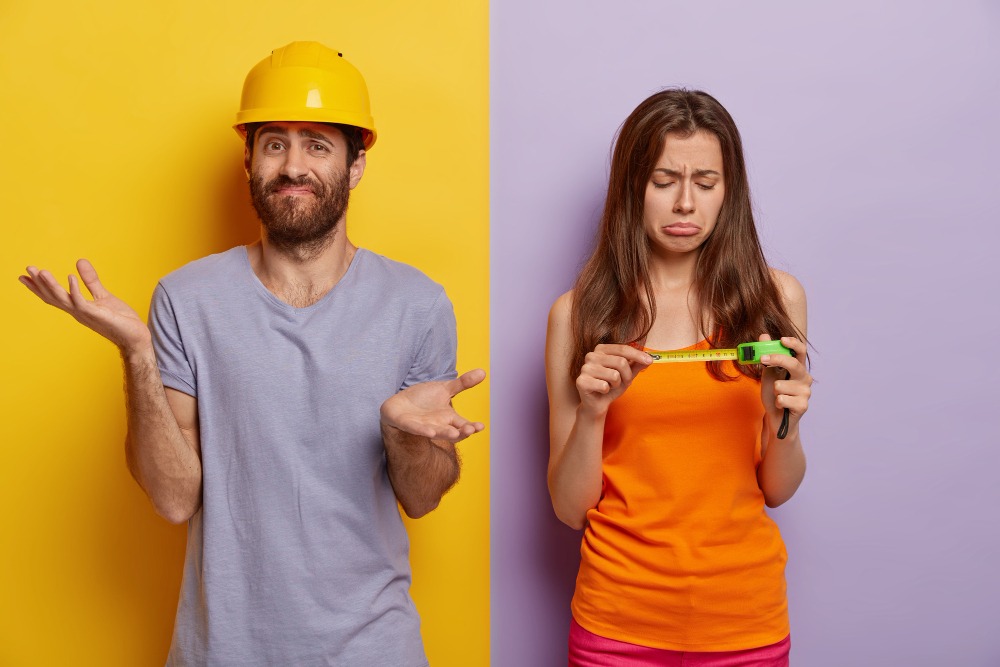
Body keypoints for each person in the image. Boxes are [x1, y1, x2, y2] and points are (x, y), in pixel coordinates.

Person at [19, 41, 484, 666]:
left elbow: (423, 497)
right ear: (248, 160)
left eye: (318, 144)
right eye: (274, 143)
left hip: (373, 649)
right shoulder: (186, 299)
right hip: (224, 651)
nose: (293, 165)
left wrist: (404, 435)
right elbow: (173, 498)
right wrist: (136, 355)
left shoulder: (416, 304)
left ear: (356, 164)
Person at [545, 89, 812, 666]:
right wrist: (593, 412)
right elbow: (570, 509)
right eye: (664, 181)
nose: (685, 203)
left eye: (706, 183)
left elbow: (779, 490)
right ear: (631, 188)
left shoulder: (776, 300)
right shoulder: (579, 314)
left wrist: (780, 418)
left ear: (729, 192)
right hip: (616, 623)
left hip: (746, 620)